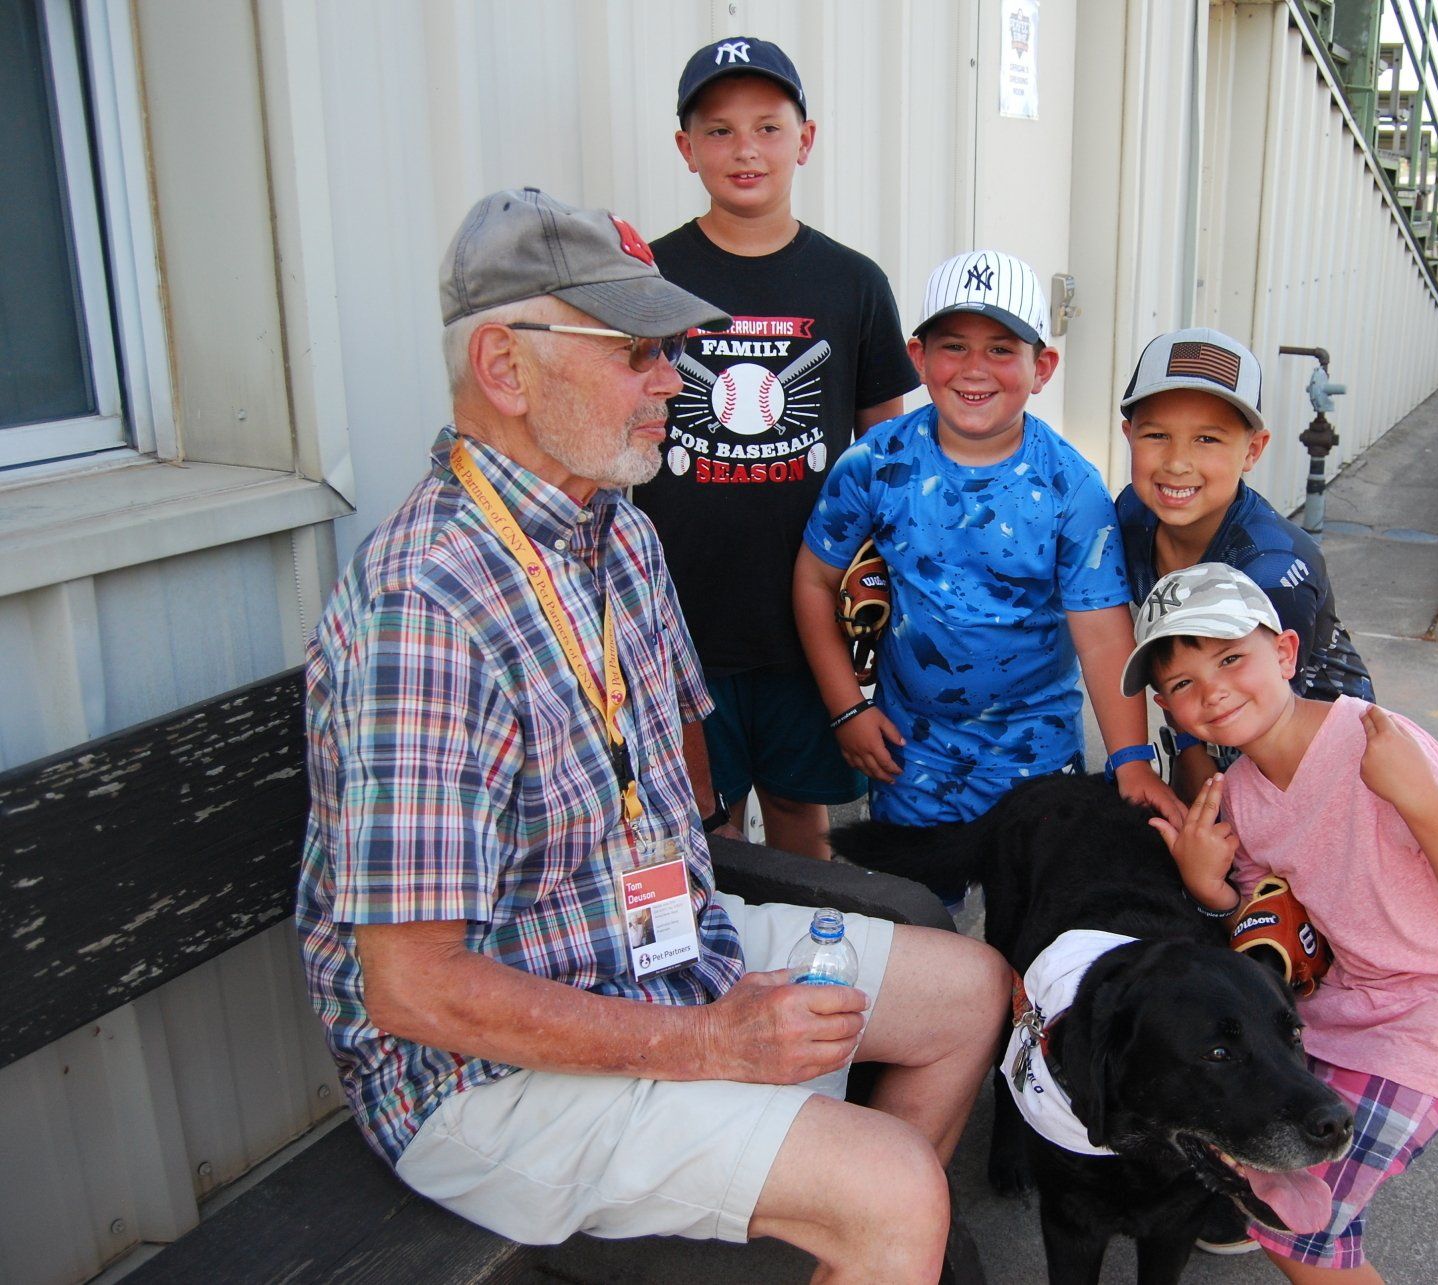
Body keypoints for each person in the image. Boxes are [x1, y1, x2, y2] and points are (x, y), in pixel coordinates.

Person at [294, 187, 1009, 1281]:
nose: (675, 382)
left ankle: (850, 1239)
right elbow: (416, 990)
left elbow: (674, 760)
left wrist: (704, 964)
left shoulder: (614, 526)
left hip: (652, 947)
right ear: (505, 368)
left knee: (971, 992)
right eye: (636, 351)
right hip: (481, 1078)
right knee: (897, 1188)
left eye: (669, 351)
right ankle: (868, 1226)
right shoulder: (426, 607)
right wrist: (709, 1045)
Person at [1121, 563, 1438, 1281]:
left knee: (1294, 1225)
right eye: (1184, 682)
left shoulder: (1378, 740)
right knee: (1274, 1165)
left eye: (1230, 658)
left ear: (1284, 652)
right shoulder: (1241, 797)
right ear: (1166, 706)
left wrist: (1417, 798)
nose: (1213, 689)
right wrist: (1208, 886)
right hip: (1352, 1011)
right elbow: (1281, 942)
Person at [794, 249, 1182, 904]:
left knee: (1032, 930)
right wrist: (846, 707)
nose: (975, 369)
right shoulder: (875, 464)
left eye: (1002, 349)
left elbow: (1102, 637)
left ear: (1042, 367)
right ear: (918, 357)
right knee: (914, 925)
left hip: (1036, 758)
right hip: (912, 755)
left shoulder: (1072, 487)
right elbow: (812, 583)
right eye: (954, 346)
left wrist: (1132, 759)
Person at [632, 37, 921, 860]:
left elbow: (886, 452)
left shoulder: (852, 281)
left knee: (803, 821)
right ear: (686, 149)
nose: (745, 149)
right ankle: (725, 982)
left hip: (809, 624)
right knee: (704, 830)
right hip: (679, 621)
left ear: (807, 137)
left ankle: (808, 979)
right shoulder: (647, 276)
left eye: (767, 125)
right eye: (718, 131)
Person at [1115, 327, 1373, 800]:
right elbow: (1190, 674)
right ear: (1128, 434)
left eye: (1207, 440)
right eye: (1157, 435)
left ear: (1252, 450)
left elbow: (1263, 719)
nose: (1176, 463)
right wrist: (1190, 753)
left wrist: (1208, 802)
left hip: (1308, 754)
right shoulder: (1133, 513)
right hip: (1209, 710)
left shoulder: (1271, 573)